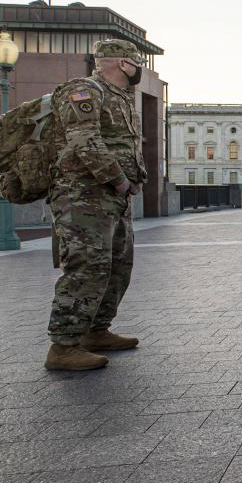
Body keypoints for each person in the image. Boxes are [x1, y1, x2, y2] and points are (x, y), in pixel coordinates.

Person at [44, 38, 147, 372]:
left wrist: (134, 179)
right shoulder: (84, 91)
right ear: (122, 63)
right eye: (136, 62)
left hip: (113, 197)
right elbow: (85, 142)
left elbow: (126, 145)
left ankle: (96, 330)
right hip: (83, 195)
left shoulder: (121, 97)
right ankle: (63, 346)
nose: (139, 69)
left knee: (117, 265)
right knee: (87, 265)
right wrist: (118, 179)